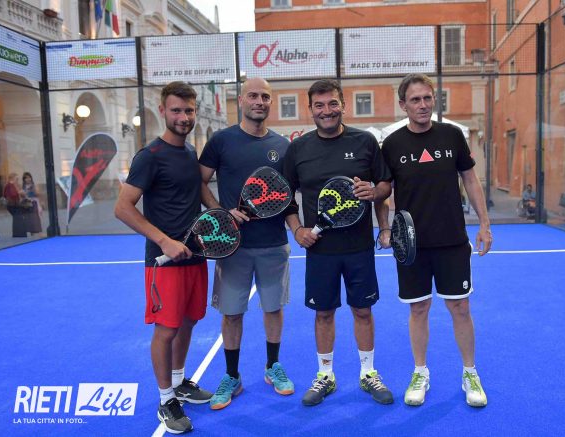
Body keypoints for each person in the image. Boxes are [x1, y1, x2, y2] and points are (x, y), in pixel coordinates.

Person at [374, 73, 491, 408]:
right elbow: (383, 191)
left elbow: (470, 179)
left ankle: (470, 373)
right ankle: (420, 372)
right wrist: (385, 228)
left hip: (452, 240)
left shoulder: (452, 135)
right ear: (403, 105)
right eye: (415, 99)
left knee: (460, 307)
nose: (423, 105)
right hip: (411, 245)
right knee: (419, 308)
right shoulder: (392, 145)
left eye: (427, 98)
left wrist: (484, 224)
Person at [283, 79, 394, 406]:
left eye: (333, 103)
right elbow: (284, 196)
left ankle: (368, 373)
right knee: (324, 313)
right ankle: (325, 376)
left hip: (359, 248)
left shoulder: (365, 142)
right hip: (320, 251)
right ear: (310, 109)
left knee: (363, 310)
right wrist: (297, 229)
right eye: (319, 105)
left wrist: (374, 192)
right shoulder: (299, 149)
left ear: (343, 105)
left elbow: (385, 184)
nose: (327, 111)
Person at [114, 82, 212, 434]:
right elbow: (122, 208)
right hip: (164, 263)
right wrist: (164, 241)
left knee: (189, 321)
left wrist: (222, 214)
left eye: (189, 111)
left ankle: (180, 381)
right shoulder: (149, 156)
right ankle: (165, 398)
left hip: (195, 256)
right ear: (162, 111)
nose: (183, 117)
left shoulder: (190, 152)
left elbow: (198, 191)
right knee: (167, 329)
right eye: (176, 110)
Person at [198, 77, 295, 410]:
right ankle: (232, 376)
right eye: (253, 95)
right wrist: (221, 212)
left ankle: (272, 367)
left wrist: (297, 229)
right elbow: (200, 181)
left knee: (273, 308)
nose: (259, 101)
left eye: (265, 96)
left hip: (274, 244)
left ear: (270, 102)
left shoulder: (283, 146)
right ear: (241, 100)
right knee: (232, 313)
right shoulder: (221, 140)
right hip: (232, 246)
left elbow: (286, 195)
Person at [3, 173, 28, 237]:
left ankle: (18, 234)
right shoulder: (9, 185)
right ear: (12, 178)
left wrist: (21, 193)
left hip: (15, 204)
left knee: (17, 219)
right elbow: (11, 194)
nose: (17, 180)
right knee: (18, 218)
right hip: (12, 205)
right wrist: (19, 192)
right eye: (17, 178)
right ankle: (19, 234)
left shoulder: (13, 185)